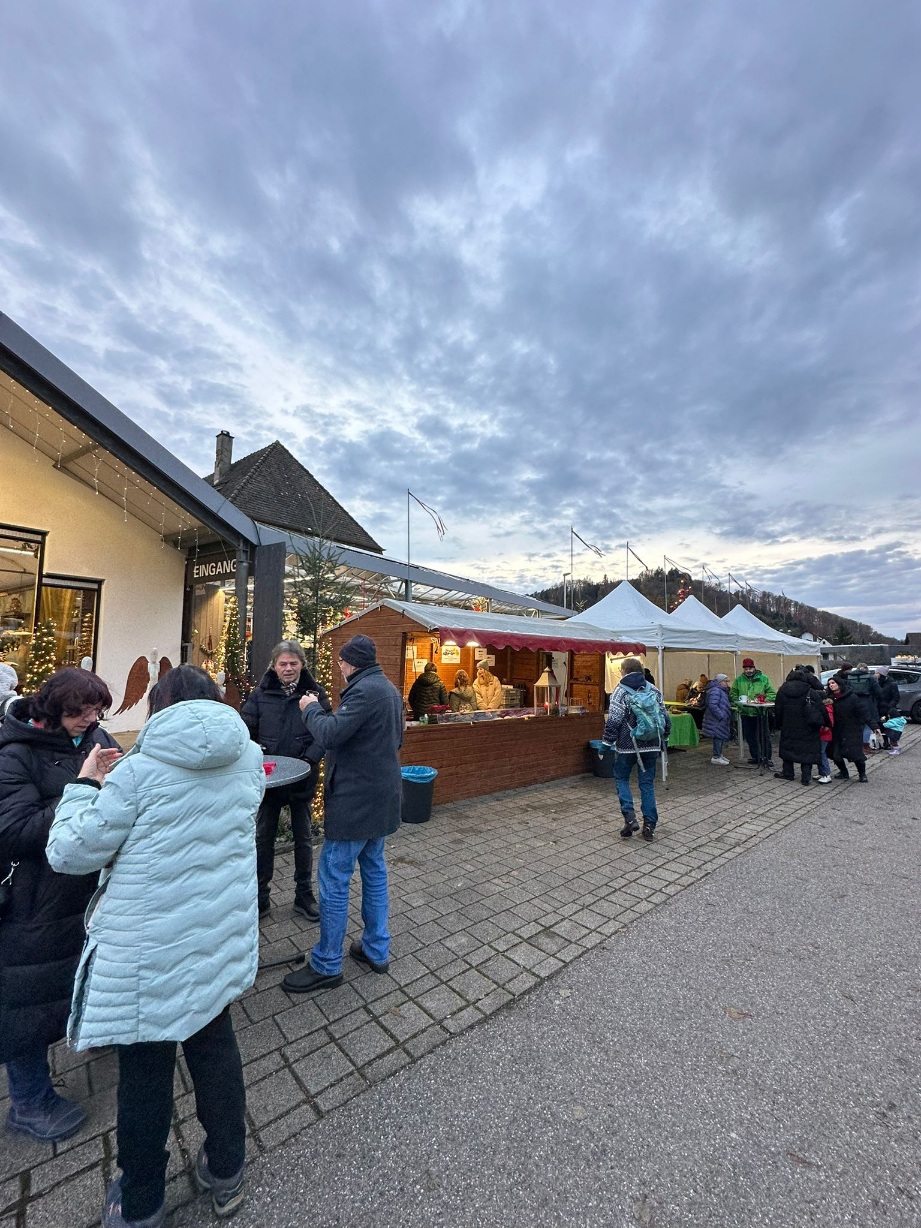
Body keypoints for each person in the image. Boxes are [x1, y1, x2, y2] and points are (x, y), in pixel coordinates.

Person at [47, 665, 265, 1228]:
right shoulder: (246, 759)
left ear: (159, 706)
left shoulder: (138, 772)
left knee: (145, 1077)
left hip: (151, 955)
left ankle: (141, 1201)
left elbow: (69, 851)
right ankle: (226, 1172)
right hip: (216, 937)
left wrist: (84, 784)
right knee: (216, 1054)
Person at [0, 668, 118, 1144]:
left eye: (96, 711)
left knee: (83, 971)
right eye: (79, 712)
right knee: (25, 999)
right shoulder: (14, 755)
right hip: (35, 900)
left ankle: (90, 1032)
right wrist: (86, 788)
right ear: (52, 710)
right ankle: (28, 1101)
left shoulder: (94, 735)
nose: (89, 721)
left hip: (85, 891)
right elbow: (14, 831)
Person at [283, 634, 404, 994]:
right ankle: (375, 949)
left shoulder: (364, 692)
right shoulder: (388, 689)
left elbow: (330, 733)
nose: (339, 667)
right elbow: (397, 740)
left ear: (352, 663)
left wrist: (310, 707)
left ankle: (327, 964)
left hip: (356, 804)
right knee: (375, 871)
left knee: (334, 877)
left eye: (341, 662)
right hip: (381, 800)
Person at [241, 640, 330, 918]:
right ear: (275, 666)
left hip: (302, 780)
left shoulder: (315, 694)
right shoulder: (260, 694)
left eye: (293, 663)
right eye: (283, 663)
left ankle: (303, 894)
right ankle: (260, 895)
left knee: (304, 838)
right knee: (263, 837)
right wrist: (257, 754)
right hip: (269, 782)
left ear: (302, 665)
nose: (288, 668)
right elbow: (246, 729)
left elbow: (324, 731)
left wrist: (309, 759)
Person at [601, 657, 670, 843]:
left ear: (623, 671)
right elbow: (664, 716)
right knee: (646, 784)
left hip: (627, 746)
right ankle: (649, 825)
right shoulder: (654, 690)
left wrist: (606, 744)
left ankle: (630, 817)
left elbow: (614, 721)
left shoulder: (620, 692)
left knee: (622, 778)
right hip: (652, 744)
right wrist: (664, 740)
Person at [774, 668, 827, 785]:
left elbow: (778, 710)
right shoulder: (810, 691)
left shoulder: (782, 690)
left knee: (788, 749)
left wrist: (779, 724)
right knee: (806, 751)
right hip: (808, 727)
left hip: (788, 725)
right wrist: (827, 723)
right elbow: (821, 709)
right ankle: (805, 777)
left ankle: (788, 773)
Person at [730, 658, 776, 765]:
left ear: (754, 668)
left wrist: (763, 699)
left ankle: (767, 757)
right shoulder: (739, 680)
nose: (748, 671)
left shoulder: (764, 679)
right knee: (750, 737)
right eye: (746, 669)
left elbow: (772, 693)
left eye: (750, 668)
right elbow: (733, 694)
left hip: (760, 712)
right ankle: (756, 756)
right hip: (746, 712)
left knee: (764, 736)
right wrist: (739, 703)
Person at [826, 677, 869, 783]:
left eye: (833, 683)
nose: (831, 685)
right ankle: (844, 772)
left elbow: (862, 712)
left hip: (851, 729)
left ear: (839, 684)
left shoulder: (852, 697)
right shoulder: (829, 698)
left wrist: (873, 725)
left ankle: (862, 774)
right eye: (829, 684)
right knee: (835, 754)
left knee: (856, 754)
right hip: (836, 730)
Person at [847, 663, 883, 754]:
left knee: (856, 725)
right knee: (867, 725)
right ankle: (865, 746)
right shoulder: (870, 678)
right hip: (867, 702)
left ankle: (856, 746)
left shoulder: (849, 677)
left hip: (852, 703)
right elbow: (878, 692)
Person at [702, 674, 732, 765]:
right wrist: (721, 715)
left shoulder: (720, 690)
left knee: (720, 737)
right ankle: (716, 756)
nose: (727, 684)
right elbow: (712, 705)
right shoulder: (716, 690)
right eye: (725, 681)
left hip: (718, 719)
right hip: (716, 719)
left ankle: (719, 754)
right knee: (718, 737)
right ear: (719, 682)